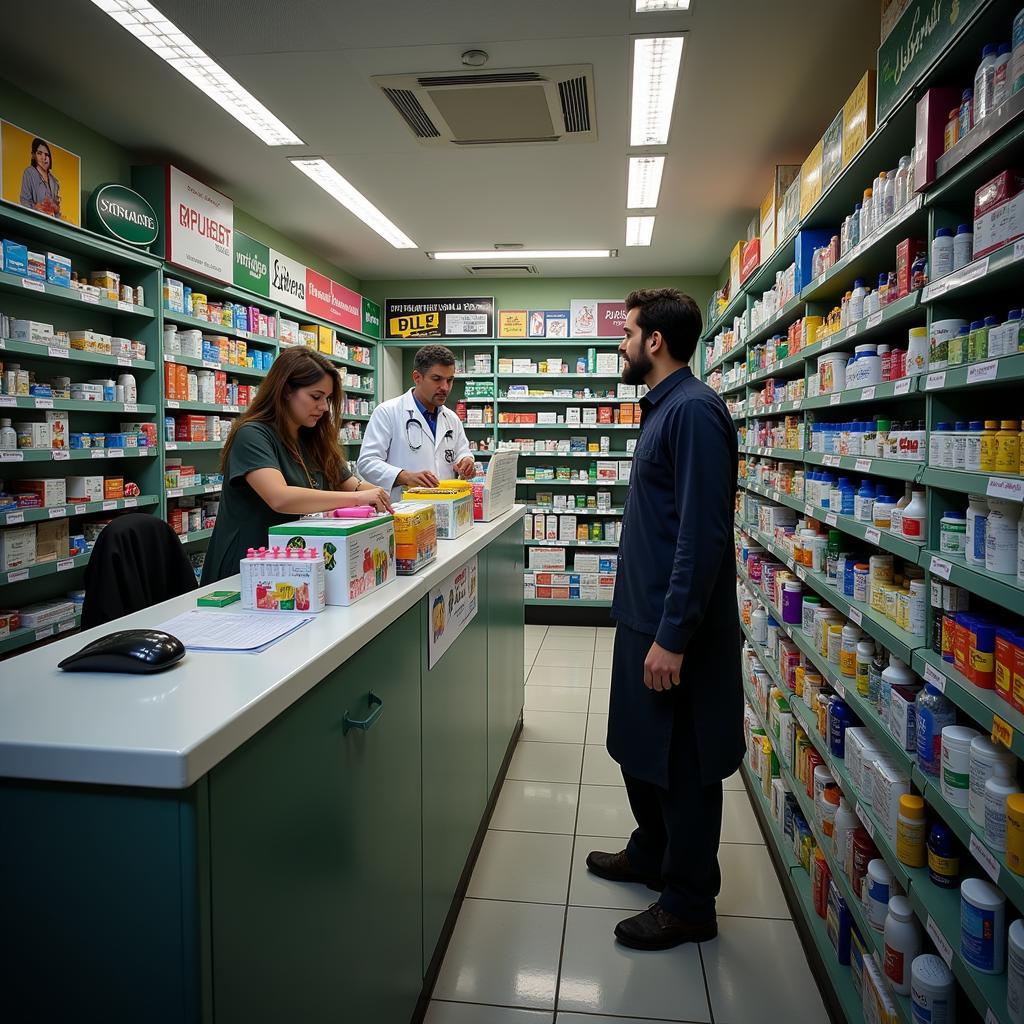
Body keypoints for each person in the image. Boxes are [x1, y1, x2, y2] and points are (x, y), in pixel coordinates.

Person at [586, 288, 743, 950]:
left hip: (674, 633)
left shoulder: (696, 413)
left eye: (626, 333)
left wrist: (672, 637)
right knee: (640, 751)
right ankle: (651, 850)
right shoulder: (661, 410)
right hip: (642, 619)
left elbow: (703, 537)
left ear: (654, 341)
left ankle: (687, 902)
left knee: (682, 764)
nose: (620, 344)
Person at [201, 346, 392, 584]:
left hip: (292, 564)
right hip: (247, 566)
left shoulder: (310, 438)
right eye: (316, 396)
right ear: (285, 391)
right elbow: (279, 497)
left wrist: (381, 500)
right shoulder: (252, 435)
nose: (323, 407)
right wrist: (358, 499)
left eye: (328, 399)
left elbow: (350, 484)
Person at [358, 343, 476, 501]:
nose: (445, 387)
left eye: (449, 380)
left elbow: (462, 452)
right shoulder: (388, 412)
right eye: (437, 379)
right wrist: (404, 476)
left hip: (446, 509)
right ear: (417, 377)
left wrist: (466, 461)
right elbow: (367, 463)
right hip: (404, 511)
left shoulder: (451, 418)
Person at [19, 138, 62, 219]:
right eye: (39, 153)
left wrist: (54, 206)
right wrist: (35, 207)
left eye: (47, 155)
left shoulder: (54, 181)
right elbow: (24, 200)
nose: (44, 158)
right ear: (33, 155)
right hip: (34, 219)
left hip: (51, 223)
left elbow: (57, 210)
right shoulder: (29, 173)